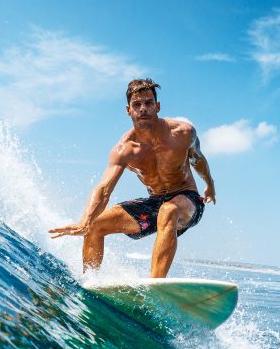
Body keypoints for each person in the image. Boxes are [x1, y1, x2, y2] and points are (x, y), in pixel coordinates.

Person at [49, 78, 216, 278]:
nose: (143, 109)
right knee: (95, 225)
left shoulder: (182, 134)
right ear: (128, 110)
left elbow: (198, 159)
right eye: (137, 105)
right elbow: (104, 189)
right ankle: (89, 283)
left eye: (148, 103)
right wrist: (84, 220)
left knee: (169, 210)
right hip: (155, 203)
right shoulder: (125, 150)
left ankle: (155, 286)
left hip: (187, 201)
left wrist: (210, 185)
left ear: (158, 106)